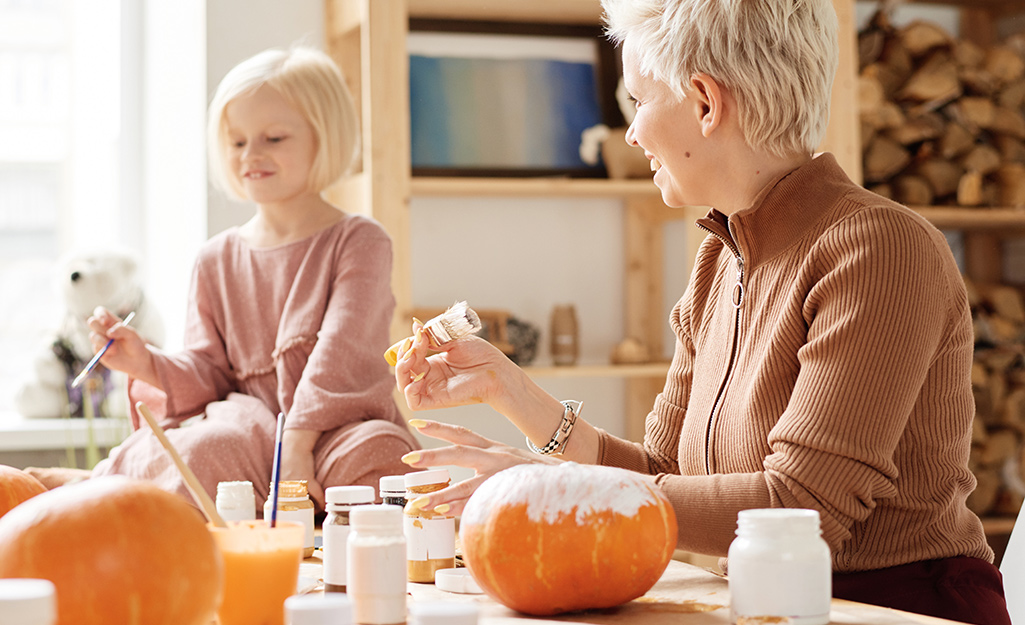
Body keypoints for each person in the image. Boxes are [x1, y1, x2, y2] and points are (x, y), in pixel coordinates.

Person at [390, 2, 1011, 623]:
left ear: (706, 102)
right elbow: (663, 472)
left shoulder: (878, 248)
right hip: (760, 603)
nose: (630, 134)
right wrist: (511, 390)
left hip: (898, 610)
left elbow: (803, 506)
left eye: (638, 101)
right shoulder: (720, 256)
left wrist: (544, 487)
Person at [30, 46, 419, 509]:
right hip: (248, 429)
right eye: (237, 143)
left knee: (384, 456)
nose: (251, 154)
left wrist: (296, 446)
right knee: (204, 449)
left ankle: (262, 505)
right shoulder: (215, 257)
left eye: (274, 138)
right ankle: (93, 490)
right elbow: (208, 372)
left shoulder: (360, 240)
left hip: (337, 427)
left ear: (325, 137)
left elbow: (342, 353)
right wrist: (146, 363)